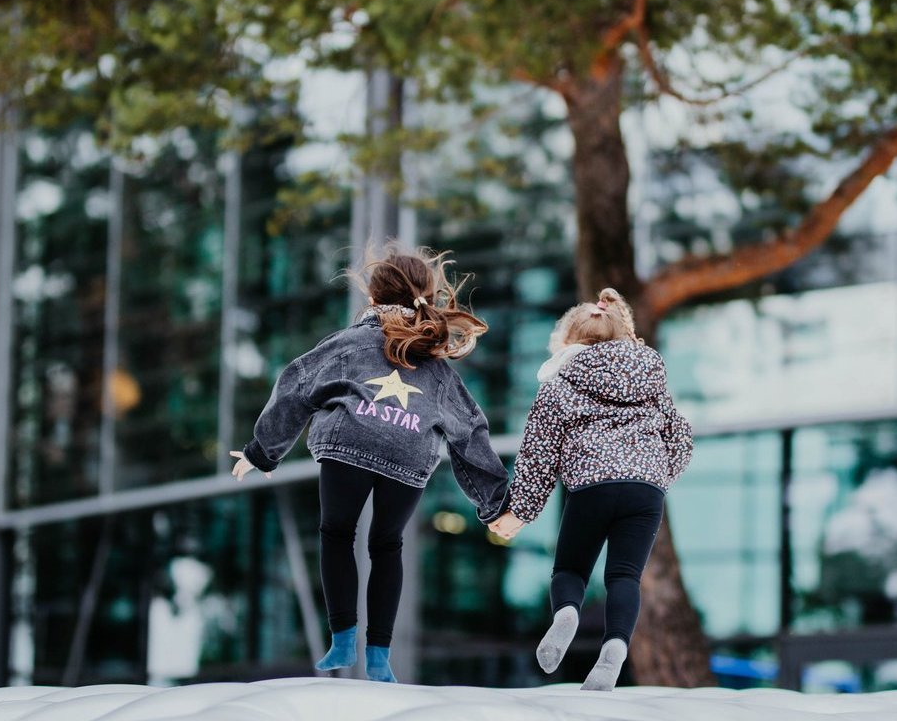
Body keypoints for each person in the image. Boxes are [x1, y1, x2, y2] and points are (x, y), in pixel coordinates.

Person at [231, 247, 509, 683]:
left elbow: (296, 386)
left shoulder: (349, 343)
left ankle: (343, 638)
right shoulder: (436, 369)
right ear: (427, 296)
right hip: (409, 452)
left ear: (375, 295)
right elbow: (469, 432)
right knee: (387, 545)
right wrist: (494, 505)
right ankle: (378, 657)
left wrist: (262, 451)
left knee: (337, 533)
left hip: (349, 443)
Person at [491, 289, 693, 690]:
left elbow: (538, 453)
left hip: (592, 487)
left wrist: (520, 513)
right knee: (624, 576)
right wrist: (655, 475)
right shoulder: (651, 377)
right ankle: (616, 644)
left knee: (570, 569)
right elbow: (682, 438)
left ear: (568, 339)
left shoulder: (560, 382)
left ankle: (567, 612)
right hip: (645, 489)